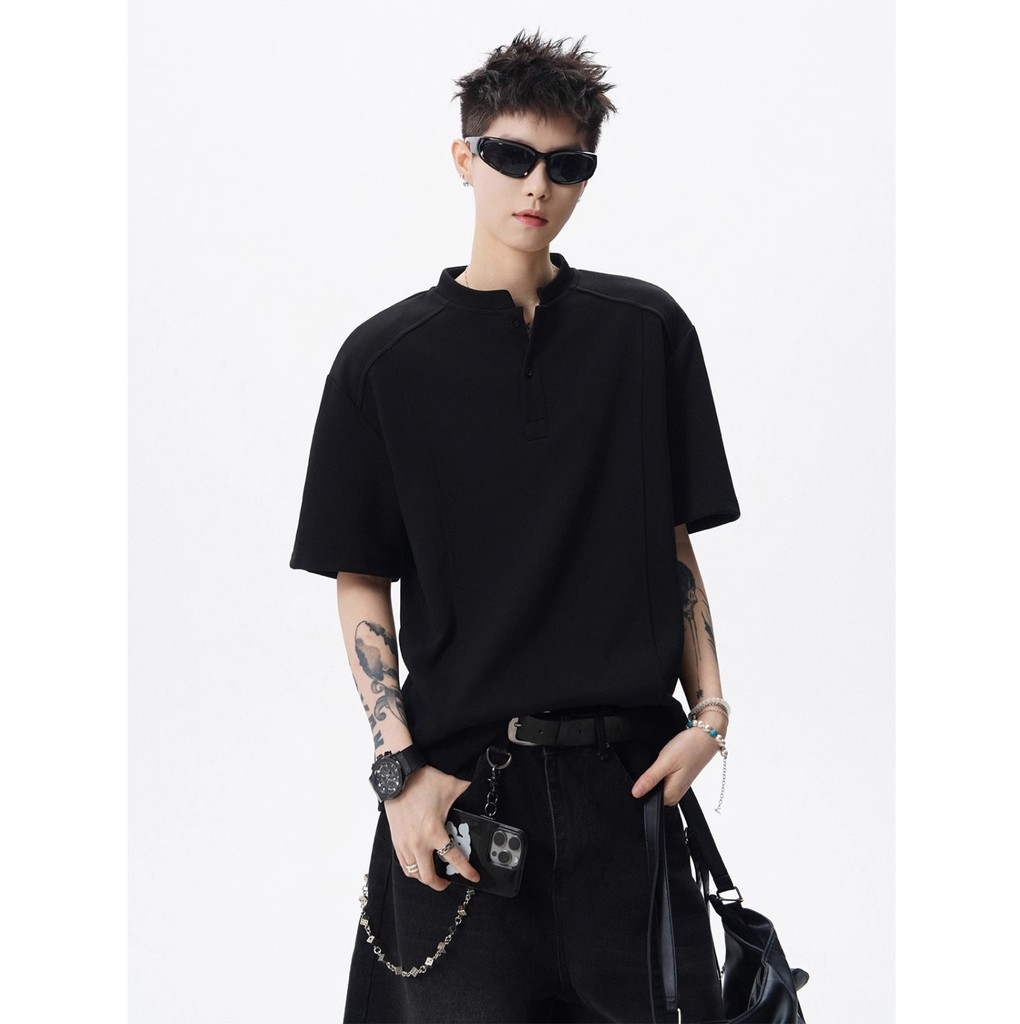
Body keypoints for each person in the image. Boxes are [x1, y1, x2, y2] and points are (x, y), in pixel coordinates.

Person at [290, 29, 741, 1024]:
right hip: (461, 797)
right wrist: (398, 772)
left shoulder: (645, 334)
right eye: (511, 156)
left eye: (566, 165)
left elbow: (671, 544)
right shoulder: (383, 361)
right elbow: (358, 574)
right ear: (465, 158)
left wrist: (710, 714)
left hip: (630, 788)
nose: (537, 185)